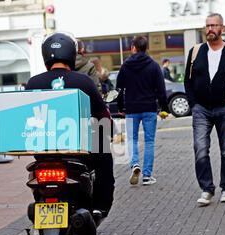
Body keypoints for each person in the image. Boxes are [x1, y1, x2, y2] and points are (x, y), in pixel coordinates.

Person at [25, 32, 115, 219]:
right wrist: (109, 132)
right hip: (78, 149)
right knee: (104, 162)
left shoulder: (34, 82)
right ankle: (99, 207)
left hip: (44, 150)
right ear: (71, 55)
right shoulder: (83, 81)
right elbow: (102, 115)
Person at [184, 13, 225, 206]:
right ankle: (207, 189)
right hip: (201, 110)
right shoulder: (196, 51)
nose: (210, 29)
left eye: (214, 26)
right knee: (200, 149)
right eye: (207, 26)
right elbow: (187, 80)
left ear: (222, 28)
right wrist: (193, 104)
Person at [116, 36, 169, 186]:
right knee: (149, 141)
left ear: (133, 47)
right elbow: (161, 89)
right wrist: (164, 108)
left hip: (131, 108)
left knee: (132, 139)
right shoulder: (153, 65)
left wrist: (121, 107)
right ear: (146, 48)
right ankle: (147, 175)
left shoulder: (125, 66)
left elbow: (119, 89)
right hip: (149, 108)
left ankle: (135, 164)